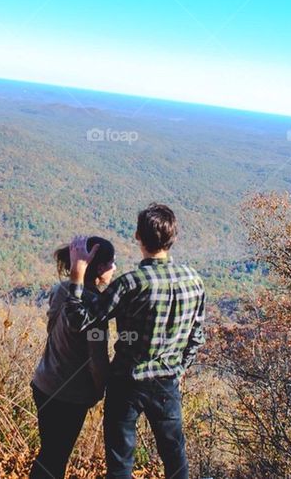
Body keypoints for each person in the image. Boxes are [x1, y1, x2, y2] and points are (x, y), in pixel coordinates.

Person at [64, 203, 205, 479]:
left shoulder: (131, 283)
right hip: (166, 383)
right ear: (172, 238)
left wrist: (77, 278)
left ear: (138, 237)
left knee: (120, 464)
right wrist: (177, 369)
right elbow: (197, 337)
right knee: (176, 461)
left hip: (126, 382)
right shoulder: (194, 281)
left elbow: (80, 321)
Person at [29, 236, 117, 479]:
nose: (114, 268)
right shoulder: (95, 305)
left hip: (44, 383)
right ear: (99, 268)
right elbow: (97, 358)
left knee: (49, 454)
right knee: (54, 459)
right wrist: (100, 390)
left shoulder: (60, 290)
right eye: (112, 263)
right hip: (70, 395)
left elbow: (52, 329)